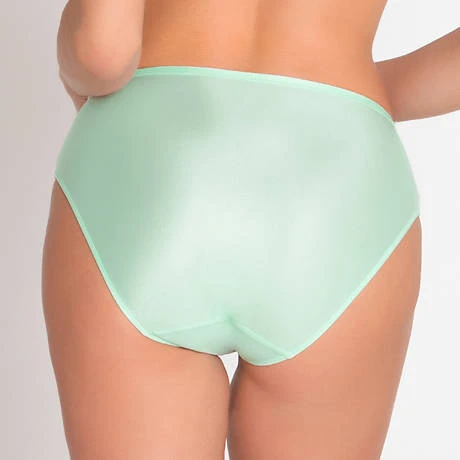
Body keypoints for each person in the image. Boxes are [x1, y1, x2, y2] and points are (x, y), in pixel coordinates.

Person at [41, 1, 460, 458]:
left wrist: (72, 71)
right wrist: (356, 92)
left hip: (152, 172)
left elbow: (101, 50)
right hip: (337, 182)